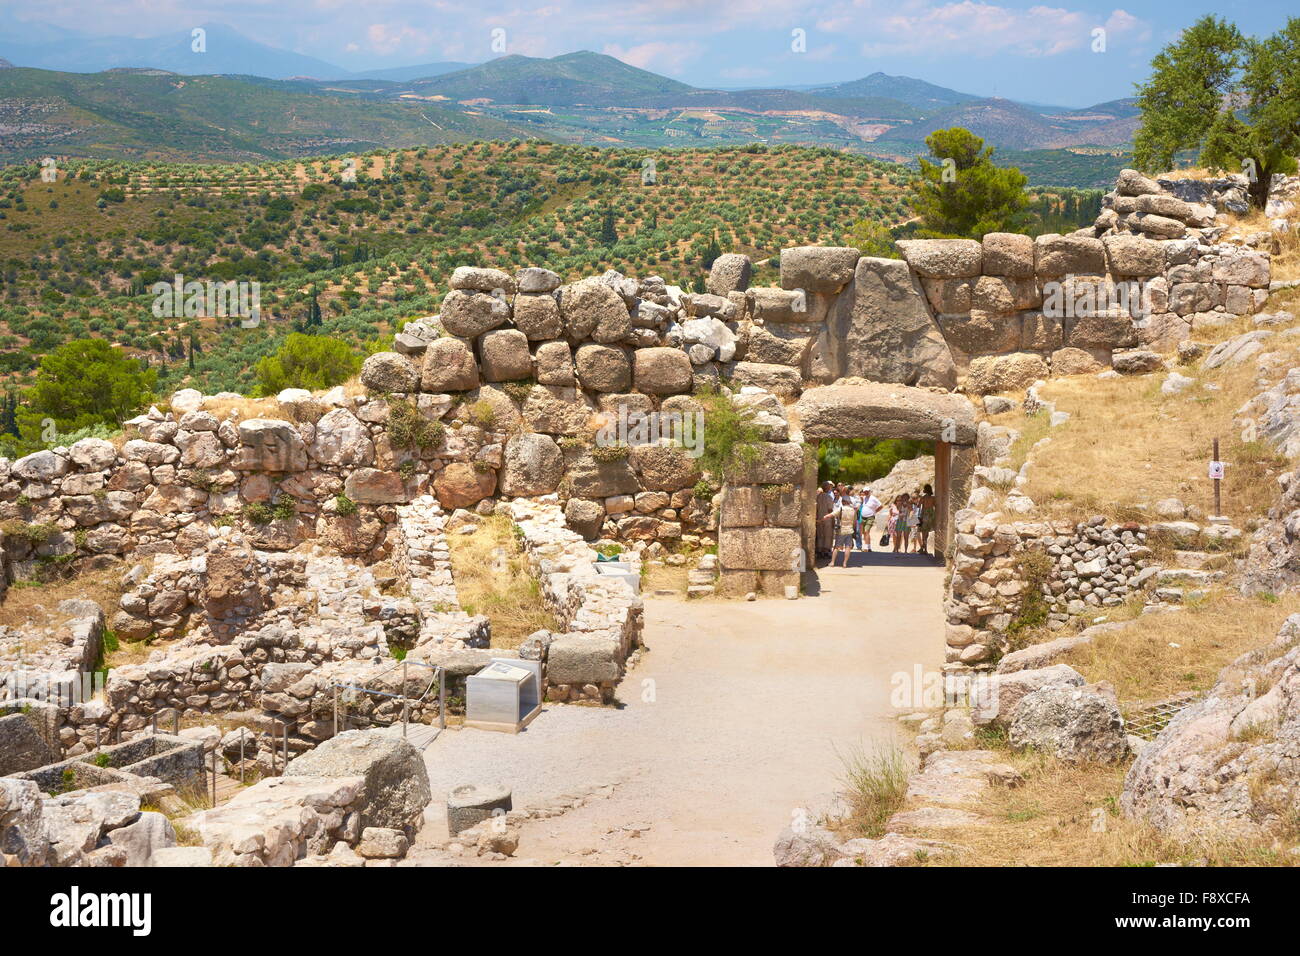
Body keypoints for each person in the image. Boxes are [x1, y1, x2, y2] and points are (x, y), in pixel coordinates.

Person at [824, 490, 859, 568]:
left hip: (841, 530)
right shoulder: (853, 510)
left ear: (844, 501)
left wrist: (824, 517)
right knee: (848, 547)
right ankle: (845, 563)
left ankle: (832, 562)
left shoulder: (841, 509)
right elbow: (855, 522)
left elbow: (832, 514)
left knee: (836, 547)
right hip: (849, 530)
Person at [814, 481, 835, 559]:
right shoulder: (828, 497)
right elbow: (830, 509)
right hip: (827, 518)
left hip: (819, 518)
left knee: (820, 535)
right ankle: (826, 551)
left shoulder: (817, 497)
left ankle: (819, 550)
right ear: (827, 487)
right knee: (827, 535)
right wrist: (833, 519)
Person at [858, 486, 882, 552]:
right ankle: (869, 547)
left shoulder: (873, 498)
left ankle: (866, 548)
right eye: (864, 491)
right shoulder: (864, 498)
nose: (865, 492)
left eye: (867, 491)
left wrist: (875, 511)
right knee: (864, 532)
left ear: (869, 491)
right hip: (863, 517)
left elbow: (881, 506)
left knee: (866, 531)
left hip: (870, 517)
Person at [917, 483, 936, 555]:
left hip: (924, 514)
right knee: (926, 533)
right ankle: (924, 548)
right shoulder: (933, 498)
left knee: (923, 532)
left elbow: (918, 506)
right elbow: (935, 506)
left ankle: (923, 548)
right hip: (931, 515)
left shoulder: (923, 498)